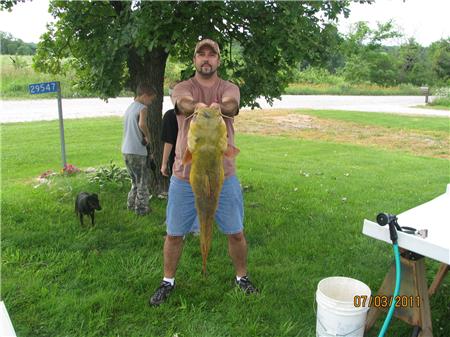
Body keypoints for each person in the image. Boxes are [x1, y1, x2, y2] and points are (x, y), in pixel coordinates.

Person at [149, 38, 258, 306]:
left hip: (225, 175)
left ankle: (241, 277)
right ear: (195, 60)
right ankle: (167, 281)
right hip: (184, 176)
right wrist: (194, 107)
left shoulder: (229, 88)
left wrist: (220, 108)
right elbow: (182, 102)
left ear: (219, 60)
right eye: (201, 54)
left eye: (212, 54)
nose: (206, 58)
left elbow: (231, 105)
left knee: (236, 232)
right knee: (174, 233)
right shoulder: (182, 87)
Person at [121, 83, 156, 216]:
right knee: (143, 181)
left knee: (134, 180)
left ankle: (131, 204)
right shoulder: (142, 108)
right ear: (145, 96)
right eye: (151, 99)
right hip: (137, 150)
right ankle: (141, 209)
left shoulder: (130, 107)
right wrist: (148, 136)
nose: (151, 102)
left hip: (126, 149)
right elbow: (142, 124)